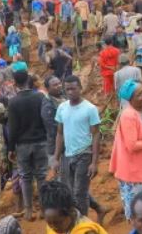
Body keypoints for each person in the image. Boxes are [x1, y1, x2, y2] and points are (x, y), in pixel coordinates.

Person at [52, 75, 102, 218]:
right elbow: (60, 133)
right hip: (67, 155)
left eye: (73, 88)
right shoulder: (62, 108)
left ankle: (82, 223)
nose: (70, 92)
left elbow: (96, 135)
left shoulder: (90, 109)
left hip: (84, 154)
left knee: (79, 193)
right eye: (67, 89)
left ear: (80, 88)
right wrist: (56, 158)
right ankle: (94, 211)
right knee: (69, 191)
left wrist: (94, 162)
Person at [110, 80, 142, 221]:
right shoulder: (129, 116)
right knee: (140, 211)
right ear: (130, 100)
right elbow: (132, 146)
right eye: (139, 95)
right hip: (134, 172)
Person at [7, 70, 48, 221]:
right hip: (41, 141)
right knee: (42, 176)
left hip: (22, 144)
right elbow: (45, 119)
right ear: (28, 80)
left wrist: (11, 148)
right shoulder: (40, 97)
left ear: (15, 83)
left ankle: (29, 210)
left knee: (25, 177)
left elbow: (13, 128)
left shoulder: (13, 102)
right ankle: (44, 209)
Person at [41, 180, 109, 234]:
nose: (53, 227)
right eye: (49, 223)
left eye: (58, 223)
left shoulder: (86, 231)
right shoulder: (55, 222)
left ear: (71, 212)